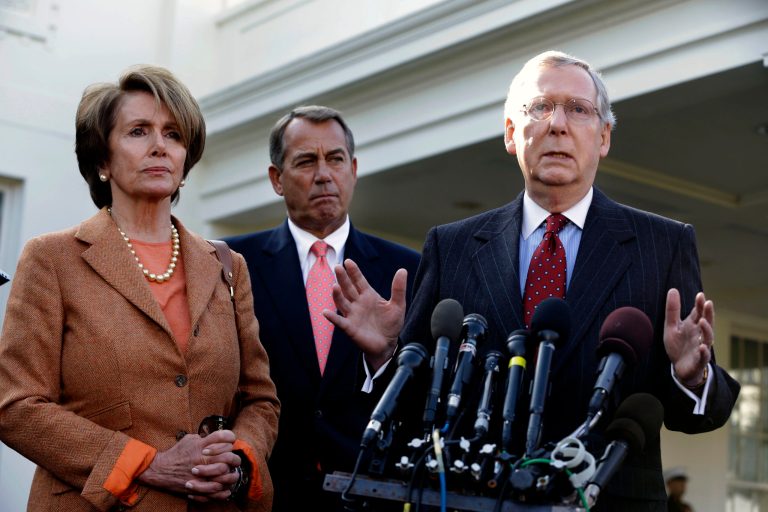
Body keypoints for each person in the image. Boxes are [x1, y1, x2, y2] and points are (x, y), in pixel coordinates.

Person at [326, 51, 740, 511]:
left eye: (578, 110)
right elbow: (416, 410)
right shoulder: (453, 245)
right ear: (510, 134)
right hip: (470, 500)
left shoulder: (663, 245)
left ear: (603, 138)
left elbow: (701, 415)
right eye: (540, 108)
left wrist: (692, 375)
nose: (557, 125)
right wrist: (387, 356)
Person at [0, 65, 280, 511]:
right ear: (102, 161)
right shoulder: (52, 259)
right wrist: (144, 464)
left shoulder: (228, 266)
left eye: (173, 135)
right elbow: (15, 405)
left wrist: (239, 460)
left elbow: (260, 399)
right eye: (138, 132)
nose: (158, 147)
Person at [225, 106, 420, 511]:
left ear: (353, 168)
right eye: (305, 161)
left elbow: (424, 394)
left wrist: (384, 355)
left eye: (334, 159)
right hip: (265, 492)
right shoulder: (230, 263)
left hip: (368, 492)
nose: (323, 174)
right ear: (276, 179)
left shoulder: (408, 269)